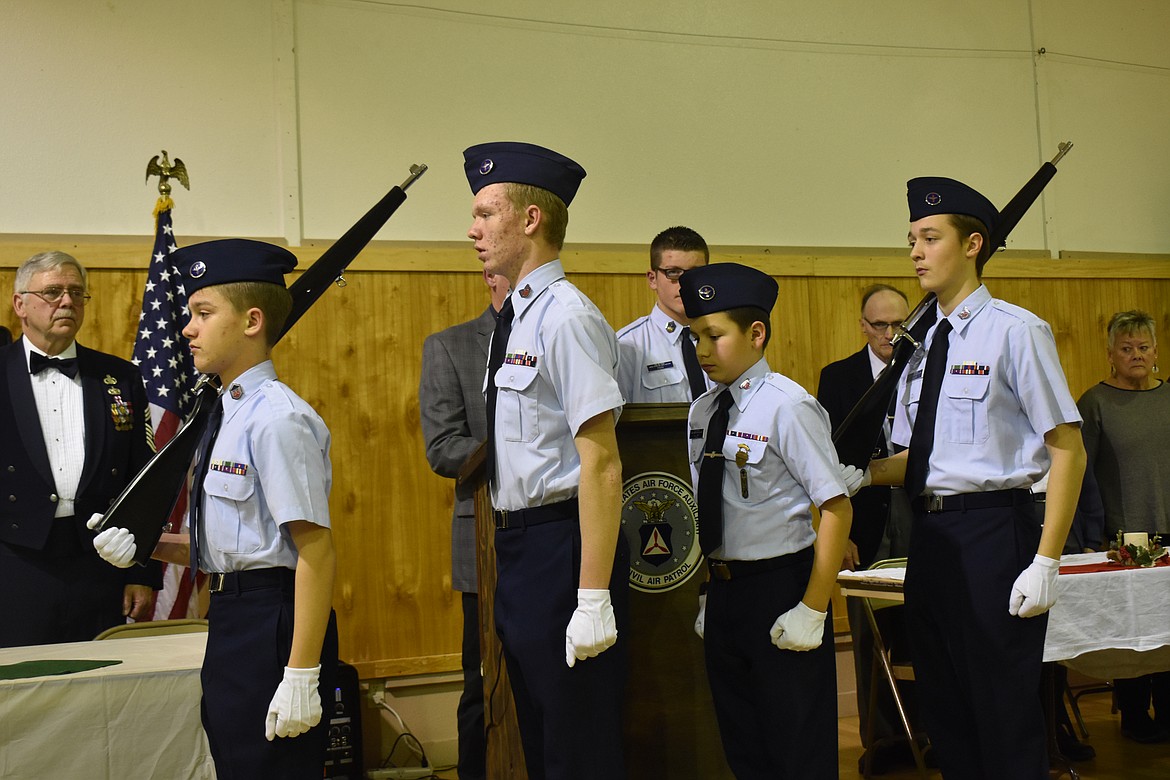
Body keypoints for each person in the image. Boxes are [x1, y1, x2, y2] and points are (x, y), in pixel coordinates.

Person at [91, 239, 339, 778]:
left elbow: (314, 551)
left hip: (273, 621)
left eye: (204, 313)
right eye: (189, 314)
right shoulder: (222, 415)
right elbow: (233, 542)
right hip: (229, 619)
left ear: (252, 321)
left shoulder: (277, 419)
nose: (188, 328)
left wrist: (301, 672)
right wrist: (146, 544)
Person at [868, 177, 1086, 779]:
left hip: (995, 533)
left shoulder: (1016, 331)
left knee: (1002, 710)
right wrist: (855, 475)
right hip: (930, 537)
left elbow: (1068, 449)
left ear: (972, 244)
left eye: (930, 237)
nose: (915, 250)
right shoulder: (919, 345)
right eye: (911, 238)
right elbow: (924, 458)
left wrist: (1046, 561)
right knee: (945, 707)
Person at [464, 141, 628, 779]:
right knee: (542, 741)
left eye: (486, 213)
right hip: (520, 553)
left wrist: (591, 596)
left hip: (564, 548)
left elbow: (603, 462)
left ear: (530, 220)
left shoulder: (564, 318)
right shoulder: (517, 320)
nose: (473, 229)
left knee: (577, 745)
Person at [681, 261, 856, 779]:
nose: (703, 350)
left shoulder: (788, 406)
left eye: (714, 335)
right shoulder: (703, 412)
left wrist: (814, 608)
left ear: (756, 334)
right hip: (725, 591)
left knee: (796, 748)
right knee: (743, 746)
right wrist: (710, 595)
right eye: (695, 338)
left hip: (781, 587)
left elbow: (835, 507)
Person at [0, 251, 159, 647]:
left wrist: (141, 572)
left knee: (97, 688)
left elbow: (143, 479)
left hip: (99, 561)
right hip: (14, 561)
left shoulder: (119, 376)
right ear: (20, 303)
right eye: (53, 292)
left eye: (76, 293)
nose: (67, 301)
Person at [816, 283, 921, 773]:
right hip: (865, 519)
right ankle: (882, 741)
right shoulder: (837, 378)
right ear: (862, 325)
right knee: (869, 634)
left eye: (898, 323)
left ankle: (929, 733)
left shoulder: (924, 373)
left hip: (922, 513)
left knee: (924, 626)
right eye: (879, 324)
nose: (889, 333)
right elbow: (825, 462)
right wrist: (842, 535)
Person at [418, 269, 509, 780]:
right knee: (483, 685)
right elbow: (443, 446)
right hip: (486, 545)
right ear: (490, 277)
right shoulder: (450, 346)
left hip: (559, 537)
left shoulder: (558, 335)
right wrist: (517, 447)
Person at [1077, 309, 1169, 743]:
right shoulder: (1095, 402)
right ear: (1111, 354)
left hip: (1168, 528)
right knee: (1134, 629)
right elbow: (1080, 473)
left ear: (1156, 351)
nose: (1137, 355)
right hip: (1124, 537)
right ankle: (1133, 715)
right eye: (1127, 348)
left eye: (1144, 347)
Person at [615, 225, 712, 403]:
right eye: (673, 272)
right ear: (653, 279)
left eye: (696, 273)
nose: (686, 285)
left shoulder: (727, 339)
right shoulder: (626, 346)